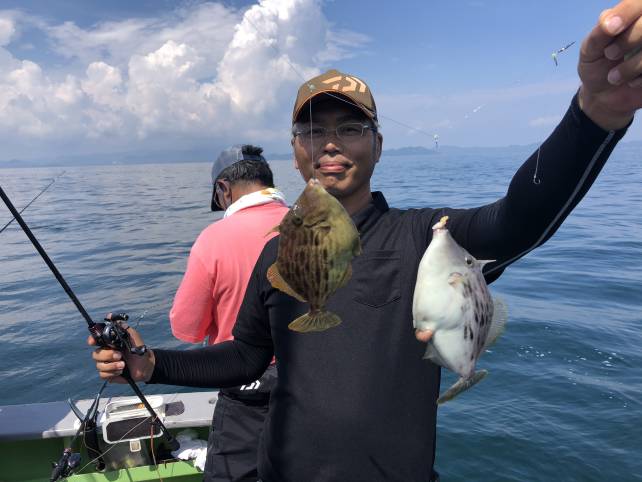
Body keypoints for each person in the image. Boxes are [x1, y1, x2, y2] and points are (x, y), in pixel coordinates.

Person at [91, 3, 642, 480]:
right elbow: (247, 356)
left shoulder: (427, 237)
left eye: (350, 129)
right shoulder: (278, 252)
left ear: (377, 145)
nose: (330, 143)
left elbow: (520, 220)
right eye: (313, 131)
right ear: (296, 151)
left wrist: (597, 113)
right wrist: (151, 364)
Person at [169, 144, 289, 481]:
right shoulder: (312, 226)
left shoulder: (213, 238)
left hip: (246, 393)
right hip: (310, 385)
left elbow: (187, 328)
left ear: (223, 189)